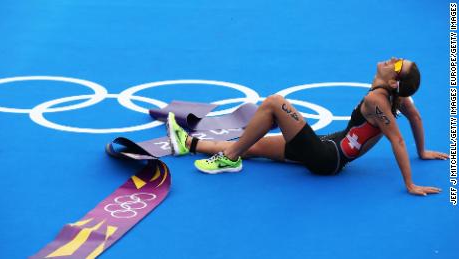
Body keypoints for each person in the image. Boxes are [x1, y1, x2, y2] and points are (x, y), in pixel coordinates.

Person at [166, 58, 449, 196]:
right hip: (329, 148)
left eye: (397, 64)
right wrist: (422, 152)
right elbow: (416, 118)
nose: (391, 59)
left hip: (326, 156)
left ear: (392, 82)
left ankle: (228, 158)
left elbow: (397, 141)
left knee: (275, 103)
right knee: (254, 147)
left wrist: (409, 184)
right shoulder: (400, 98)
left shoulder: (377, 99)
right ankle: (190, 144)